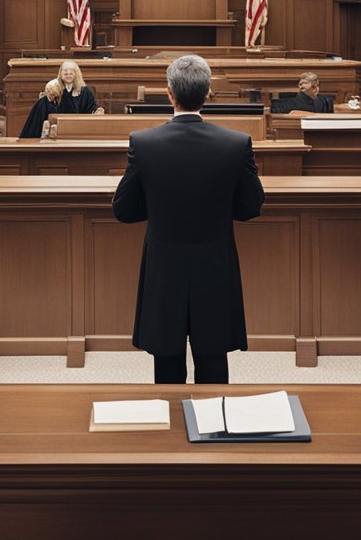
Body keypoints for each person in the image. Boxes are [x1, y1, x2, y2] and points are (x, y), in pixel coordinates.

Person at [112, 55, 265, 384]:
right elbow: (251, 206)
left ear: (169, 94)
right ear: (208, 93)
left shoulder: (144, 143)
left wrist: (158, 208)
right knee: (213, 361)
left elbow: (124, 210)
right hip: (216, 264)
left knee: (166, 365)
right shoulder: (236, 143)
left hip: (163, 266)